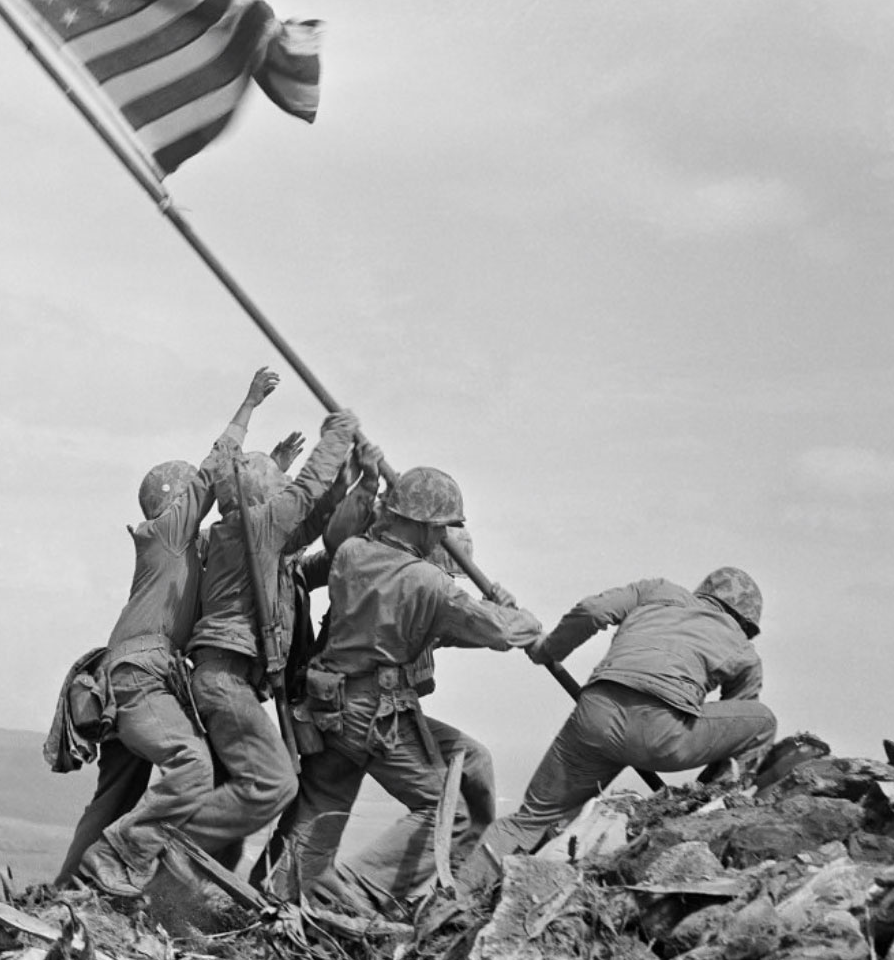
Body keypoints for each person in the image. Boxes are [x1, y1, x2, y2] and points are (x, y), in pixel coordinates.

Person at [273, 468, 542, 912]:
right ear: (420, 524)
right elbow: (499, 632)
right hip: (375, 713)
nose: (441, 536)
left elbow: (424, 624)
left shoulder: (353, 554)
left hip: (329, 705)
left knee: (324, 804)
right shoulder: (428, 582)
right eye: (439, 527)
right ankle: (353, 893)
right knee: (449, 812)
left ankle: (283, 899)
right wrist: (518, 614)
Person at [62, 368, 288, 896]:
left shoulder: (183, 551)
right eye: (190, 496)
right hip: (140, 676)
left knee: (115, 796)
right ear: (174, 501)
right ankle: (120, 860)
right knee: (191, 764)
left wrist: (272, 469)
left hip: (134, 677)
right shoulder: (165, 534)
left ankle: (67, 891)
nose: (199, 503)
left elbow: (242, 521)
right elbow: (215, 471)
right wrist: (249, 404)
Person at [460, 567, 775, 891]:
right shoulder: (743, 650)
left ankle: (454, 896)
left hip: (595, 716)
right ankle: (711, 809)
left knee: (529, 819)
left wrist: (548, 650)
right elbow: (735, 732)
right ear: (746, 622)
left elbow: (592, 611)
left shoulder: (657, 590)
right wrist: (701, 792)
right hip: (663, 734)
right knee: (763, 721)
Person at [176, 409, 363, 868]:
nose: (286, 494)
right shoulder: (254, 527)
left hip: (229, 678)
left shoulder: (249, 534)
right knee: (275, 784)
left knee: (233, 805)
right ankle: (165, 847)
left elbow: (313, 518)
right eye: (279, 487)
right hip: (225, 679)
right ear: (263, 496)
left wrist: (354, 479)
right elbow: (306, 492)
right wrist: (339, 434)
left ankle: (187, 886)